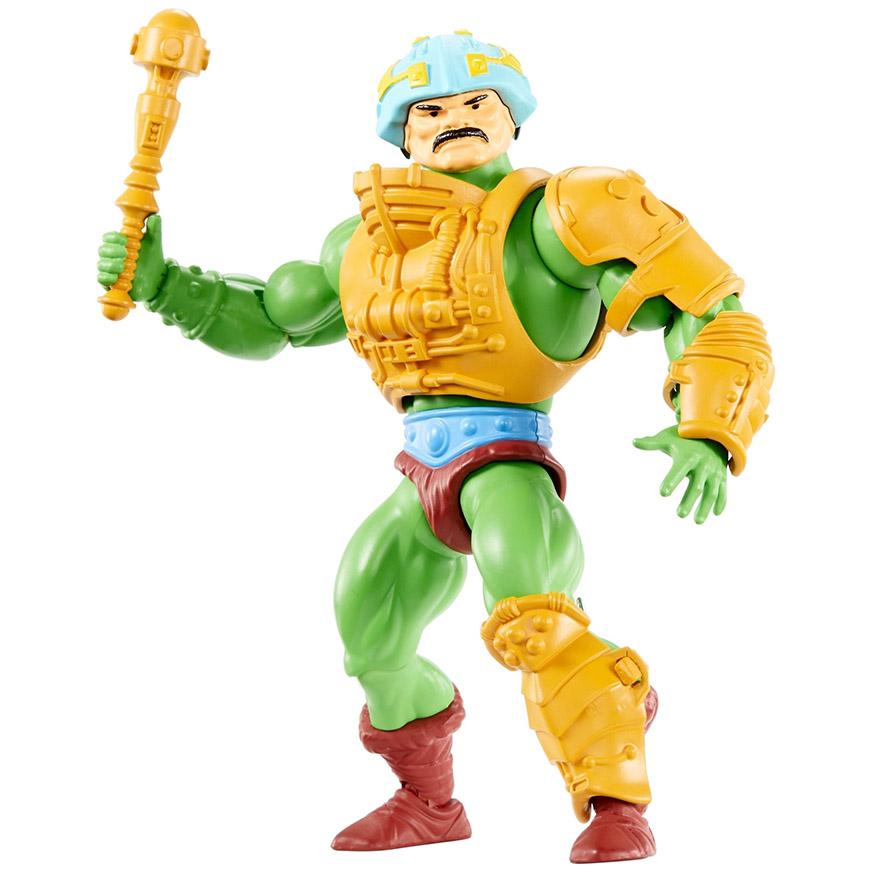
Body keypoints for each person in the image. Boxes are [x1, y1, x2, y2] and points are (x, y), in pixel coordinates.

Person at [96, 31, 773, 864]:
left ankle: (615, 800)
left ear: (513, 117)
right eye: (428, 111)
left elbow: (706, 304)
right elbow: (273, 317)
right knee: (369, 637)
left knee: (533, 616)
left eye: (475, 103)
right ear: (402, 135)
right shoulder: (367, 242)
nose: (453, 119)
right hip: (418, 467)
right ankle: (428, 804)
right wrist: (165, 285)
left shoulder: (565, 215)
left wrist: (708, 425)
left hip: (509, 461)